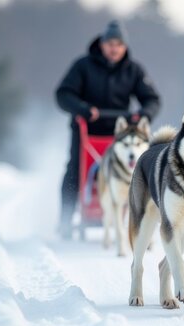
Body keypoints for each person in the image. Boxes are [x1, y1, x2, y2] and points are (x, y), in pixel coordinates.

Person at [55, 20, 160, 237]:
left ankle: (136, 219)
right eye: (110, 44)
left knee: (134, 172)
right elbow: (63, 94)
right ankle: (65, 219)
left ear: (124, 47)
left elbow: (152, 99)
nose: (114, 49)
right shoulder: (83, 66)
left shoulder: (134, 70)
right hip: (86, 130)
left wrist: (143, 115)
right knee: (75, 170)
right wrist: (83, 109)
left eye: (119, 45)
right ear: (102, 44)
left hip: (120, 135)